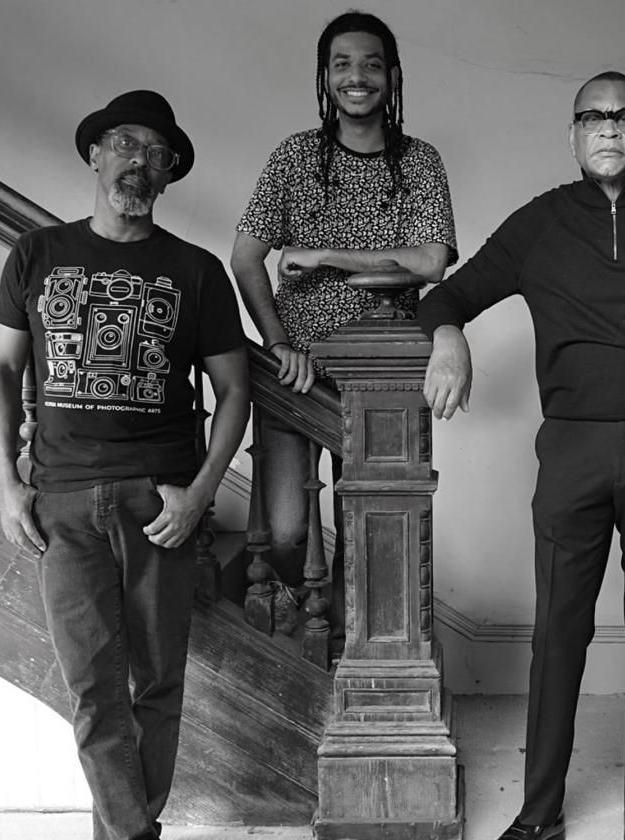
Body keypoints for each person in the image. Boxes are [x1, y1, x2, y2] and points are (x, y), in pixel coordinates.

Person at [419, 71, 625, 840]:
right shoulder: (539, 224)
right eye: (592, 117)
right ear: (573, 134)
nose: (608, 128)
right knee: (558, 629)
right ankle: (539, 814)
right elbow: (446, 295)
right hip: (571, 444)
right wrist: (448, 338)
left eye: (623, 116)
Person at [0, 89, 250, 840]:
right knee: (93, 688)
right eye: (124, 144)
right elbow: (0, 372)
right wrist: (6, 484)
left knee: (157, 683)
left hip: (158, 504)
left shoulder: (195, 272)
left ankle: (122, 833)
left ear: (168, 176)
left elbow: (234, 391)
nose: (137, 160)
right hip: (60, 501)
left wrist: (200, 497)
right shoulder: (37, 254)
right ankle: (134, 835)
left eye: (154, 153)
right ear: (96, 155)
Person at [229, 9, 456, 609]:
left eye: (372, 64)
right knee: (284, 530)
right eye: (342, 64)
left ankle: (352, 651)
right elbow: (246, 257)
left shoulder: (419, 162)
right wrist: (277, 344)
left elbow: (432, 262)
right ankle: (305, 627)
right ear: (326, 77)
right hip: (297, 375)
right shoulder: (294, 157)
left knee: (374, 530)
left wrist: (326, 254)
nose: (358, 76)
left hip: (385, 376)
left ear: (393, 75)